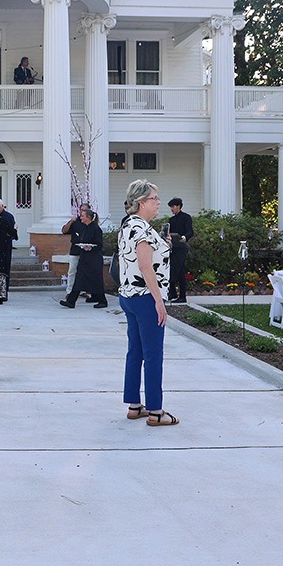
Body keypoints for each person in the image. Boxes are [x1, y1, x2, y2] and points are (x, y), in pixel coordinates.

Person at [117, 179, 178, 427]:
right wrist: (159, 302)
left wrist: (165, 246)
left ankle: (134, 405)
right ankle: (155, 411)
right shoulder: (141, 229)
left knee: (136, 351)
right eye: (154, 198)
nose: (158, 202)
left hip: (129, 296)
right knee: (153, 355)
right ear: (141, 202)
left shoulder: (130, 225)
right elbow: (144, 266)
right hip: (145, 298)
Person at [60, 209, 107, 308]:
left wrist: (90, 247)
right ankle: (71, 301)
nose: (80, 218)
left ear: (88, 217)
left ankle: (102, 301)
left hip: (94, 259)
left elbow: (99, 244)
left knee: (97, 280)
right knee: (79, 279)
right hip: (84, 258)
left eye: (82, 216)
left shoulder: (96, 229)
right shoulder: (85, 228)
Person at [167, 197, 194, 304]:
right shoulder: (171, 220)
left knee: (180, 271)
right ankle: (172, 293)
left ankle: (182, 296)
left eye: (173, 207)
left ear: (178, 206)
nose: (171, 209)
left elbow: (190, 231)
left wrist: (184, 237)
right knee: (171, 269)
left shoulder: (186, 217)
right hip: (173, 247)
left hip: (182, 248)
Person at [61, 203, 90, 298]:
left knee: (84, 271)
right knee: (72, 270)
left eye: (85, 210)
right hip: (75, 249)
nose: (83, 212)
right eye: (81, 210)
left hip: (86, 250)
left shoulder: (90, 223)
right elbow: (64, 231)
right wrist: (71, 221)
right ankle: (69, 291)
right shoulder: (75, 221)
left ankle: (83, 290)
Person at [0, 197, 17, 299]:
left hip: (5, 246)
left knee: (4, 269)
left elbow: (11, 232)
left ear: (0, 206)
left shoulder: (7, 217)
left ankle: (3, 292)